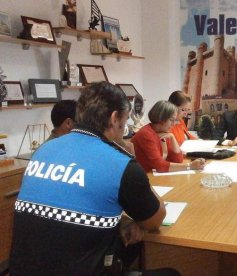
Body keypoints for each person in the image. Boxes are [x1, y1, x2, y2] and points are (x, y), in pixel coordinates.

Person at [9, 82, 176, 275]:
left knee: (130, 248)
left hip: (25, 269)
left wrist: (120, 222)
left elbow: (72, 202)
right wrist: (130, 158)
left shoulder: (43, 150)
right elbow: (155, 220)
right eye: (126, 119)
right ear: (114, 119)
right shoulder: (119, 163)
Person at [131, 100, 205, 173]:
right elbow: (159, 166)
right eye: (171, 120)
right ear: (161, 119)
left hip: (151, 176)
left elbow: (178, 160)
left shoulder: (164, 132)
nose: (173, 124)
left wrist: (172, 138)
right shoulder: (146, 134)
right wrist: (190, 166)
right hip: (141, 177)